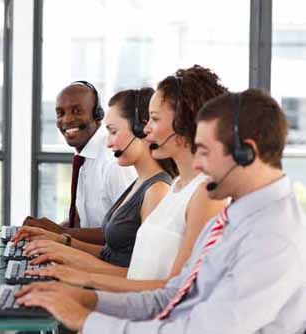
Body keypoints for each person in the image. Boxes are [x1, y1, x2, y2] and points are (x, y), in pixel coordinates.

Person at [15, 89, 306, 334]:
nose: (199, 165)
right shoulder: (235, 218)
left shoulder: (274, 237)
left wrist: (86, 320)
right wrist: (87, 299)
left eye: (204, 151)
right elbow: (170, 297)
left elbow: (201, 330)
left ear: (247, 152)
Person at [24, 65, 227, 292]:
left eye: (154, 119)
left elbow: (176, 291)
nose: (146, 130)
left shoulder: (202, 195)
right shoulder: (178, 188)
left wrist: (83, 280)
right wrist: (62, 249)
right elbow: (136, 270)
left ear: (183, 122)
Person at [15, 88, 174, 272]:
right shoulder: (138, 182)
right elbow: (110, 254)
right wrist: (58, 242)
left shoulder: (151, 187)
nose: (108, 143)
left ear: (141, 130)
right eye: (60, 113)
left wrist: (71, 262)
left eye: (113, 132)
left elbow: (145, 279)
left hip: (113, 292)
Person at [24, 81, 136, 244]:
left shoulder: (113, 162)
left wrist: (60, 233)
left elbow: (126, 233)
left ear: (97, 115)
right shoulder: (83, 158)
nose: (67, 119)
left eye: (77, 111)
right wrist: (43, 231)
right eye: (60, 113)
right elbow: (80, 223)